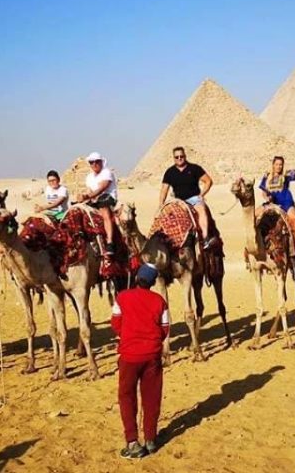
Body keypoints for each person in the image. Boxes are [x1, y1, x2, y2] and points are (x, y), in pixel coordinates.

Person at [112, 264, 170, 459]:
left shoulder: (122, 297)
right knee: (152, 397)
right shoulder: (160, 301)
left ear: (136, 277)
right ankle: (151, 439)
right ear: (153, 282)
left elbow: (115, 324)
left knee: (126, 396)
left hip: (129, 356)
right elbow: (165, 328)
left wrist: (128, 336)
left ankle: (132, 442)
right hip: (152, 355)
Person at [259, 155, 295, 258]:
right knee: (256, 215)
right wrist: (267, 198)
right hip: (272, 203)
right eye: (277, 164)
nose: (279, 166)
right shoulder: (266, 177)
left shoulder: (285, 176)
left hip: (286, 202)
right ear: (273, 165)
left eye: (281, 164)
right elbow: (263, 192)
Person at [159, 147, 213, 248]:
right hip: (178, 201)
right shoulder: (170, 172)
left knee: (202, 210)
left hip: (193, 199)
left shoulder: (194, 168)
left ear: (185, 156)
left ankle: (205, 238)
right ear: (173, 158)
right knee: (164, 218)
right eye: (177, 157)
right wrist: (161, 205)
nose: (179, 158)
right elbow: (164, 190)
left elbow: (208, 181)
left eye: (181, 156)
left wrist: (201, 195)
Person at [79, 152, 118, 257]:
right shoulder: (89, 177)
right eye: (92, 162)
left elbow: (102, 188)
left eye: (97, 161)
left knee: (104, 209)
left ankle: (110, 242)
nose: (94, 164)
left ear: (101, 162)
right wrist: (83, 198)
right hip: (94, 200)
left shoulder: (106, 172)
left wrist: (87, 196)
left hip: (108, 198)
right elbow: (89, 191)